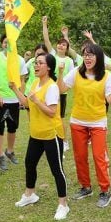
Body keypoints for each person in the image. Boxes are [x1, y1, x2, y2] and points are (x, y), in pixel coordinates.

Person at [57, 43, 111, 208]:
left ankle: (105, 191)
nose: (87, 58)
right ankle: (85, 187)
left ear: (98, 57)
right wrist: (61, 72)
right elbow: (62, 88)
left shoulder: (106, 76)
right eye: (85, 54)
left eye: (91, 55)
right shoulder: (77, 72)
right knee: (80, 156)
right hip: (78, 121)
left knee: (99, 157)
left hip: (98, 122)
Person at [10, 53, 70, 220]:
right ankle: (30, 194)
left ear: (49, 67)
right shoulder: (35, 83)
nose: (36, 66)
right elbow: (27, 104)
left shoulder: (52, 87)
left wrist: (36, 100)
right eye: (35, 63)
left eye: (40, 63)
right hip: (36, 133)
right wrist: (15, 89)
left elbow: (51, 112)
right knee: (29, 163)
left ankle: (63, 204)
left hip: (51, 134)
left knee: (57, 170)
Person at [0, 35, 28, 169]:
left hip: (14, 99)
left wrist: (21, 98)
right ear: (2, 44)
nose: (8, 45)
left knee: (13, 127)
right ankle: (0, 155)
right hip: (0, 99)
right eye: (6, 42)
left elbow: (22, 80)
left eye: (10, 42)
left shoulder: (20, 60)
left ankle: (10, 151)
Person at [42, 16, 75, 151]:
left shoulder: (69, 61)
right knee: (47, 116)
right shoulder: (53, 56)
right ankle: (47, 139)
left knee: (60, 117)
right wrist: (44, 24)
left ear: (67, 48)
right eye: (59, 44)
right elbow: (46, 39)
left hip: (62, 93)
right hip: (48, 90)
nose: (61, 46)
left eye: (64, 44)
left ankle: (64, 141)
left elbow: (71, 78)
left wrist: (65, 35)